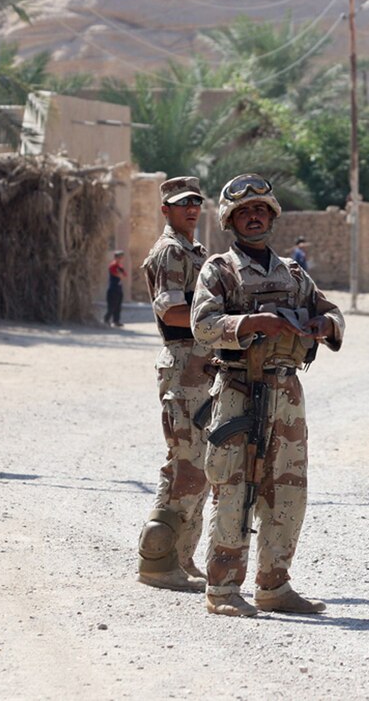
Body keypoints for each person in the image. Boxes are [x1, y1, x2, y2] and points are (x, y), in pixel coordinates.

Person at [192, 173, 345, 617]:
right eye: (244, 212)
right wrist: (254, 324)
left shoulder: (293, 272)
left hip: (286, 391)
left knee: (288, 489)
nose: (253, 217)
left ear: (271, 216)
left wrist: (324, 326)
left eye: (260, 210)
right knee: (233, 488)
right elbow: (202, 327)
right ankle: (222, 590)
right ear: (230, 220)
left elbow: (330, 311)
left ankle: (274, 585)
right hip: (240, 388)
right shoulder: (219, 270)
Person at [136, 176, 213, 593]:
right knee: (187, 465)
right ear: (165, 209)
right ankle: (157, 561)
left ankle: (182, 557)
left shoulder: (195, 252)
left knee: (201, 465)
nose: (192, 210)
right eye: (182, 204)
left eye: (196, 203)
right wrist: (223, 324)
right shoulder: (169, 251)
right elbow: (171, 312)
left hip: (201, 365)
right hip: (184, 363)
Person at [103, 249, 127, 327]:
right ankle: (106, 320)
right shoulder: (113, 265)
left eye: (121, 257)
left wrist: (120, 274)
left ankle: (116, 321)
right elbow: (116, 274)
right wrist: (120, 274)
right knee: (111, 306)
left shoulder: (120, 266)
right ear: (116, 258)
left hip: (118, 289)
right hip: (113, 289)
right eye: (119, 257)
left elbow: (124, 274)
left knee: (118, 306)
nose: (121, 259)